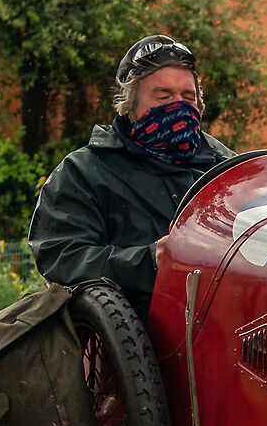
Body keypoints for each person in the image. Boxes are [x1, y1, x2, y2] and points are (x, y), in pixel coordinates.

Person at [29, 35, 234, 307]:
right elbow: (61, 257)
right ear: (130, 104)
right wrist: (150, 260)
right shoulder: (84, 172)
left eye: (188, 97)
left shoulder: (229, 170)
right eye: (164, 96)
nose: (179, 105)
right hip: (128, 326)